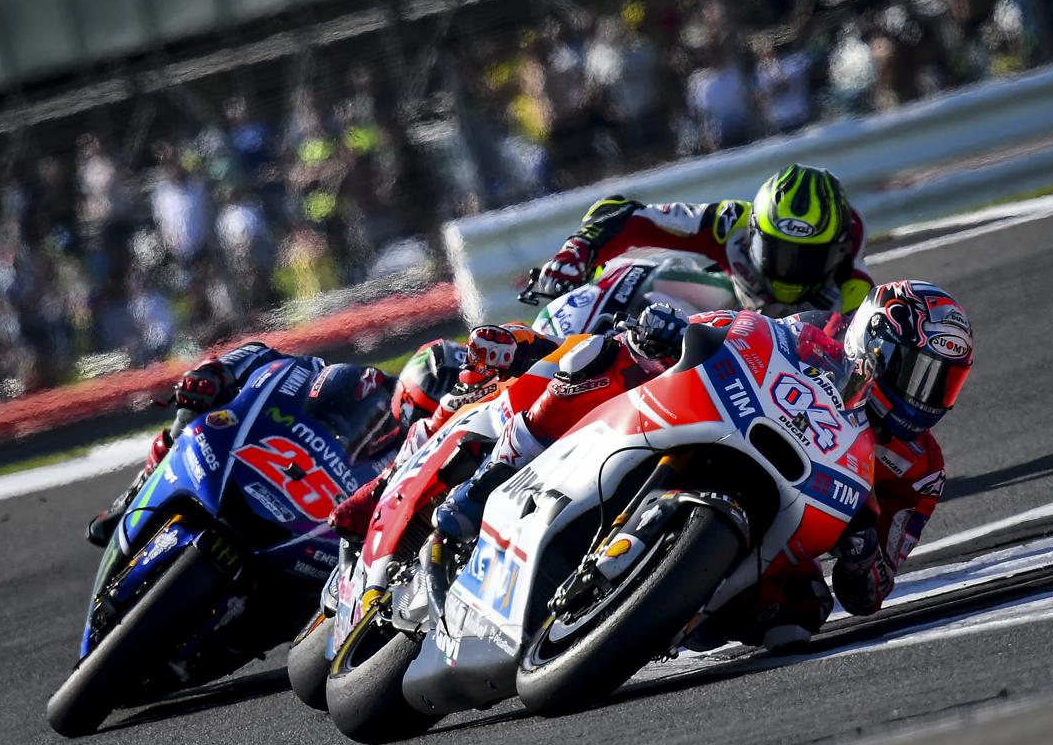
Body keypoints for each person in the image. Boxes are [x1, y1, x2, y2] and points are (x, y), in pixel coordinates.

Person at [699, 280, 974, 650]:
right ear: (874, 346)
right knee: (614, 354)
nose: (925, 397)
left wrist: (863, 557)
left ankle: (669, 608)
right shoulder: (814, 336)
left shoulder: (920, 470)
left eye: (940, 383)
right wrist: (686, 329)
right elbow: (740, 331)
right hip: (724, 433)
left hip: (777, 525)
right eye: (916, 372)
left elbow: (871, 594)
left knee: (803, 605)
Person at [86, 342, 402, 547]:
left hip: (317, 518)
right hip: (267, 451)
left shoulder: (409, 451)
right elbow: (260, 353)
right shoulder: (319, 370)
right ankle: (139, 490)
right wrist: (214, 373)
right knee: (200, 397)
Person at [433, 303, 691, 540]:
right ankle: (465, 502)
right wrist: (508, 347)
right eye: (658, 351)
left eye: (668, 356)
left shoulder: (674, 374)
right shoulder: (604, 347)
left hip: (617, 447)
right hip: (547, 436)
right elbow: (552, 349)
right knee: (468, 507)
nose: (659, 361)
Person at [535, 164, 873, 318]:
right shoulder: (731, 223)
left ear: (838, 251)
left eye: (806, 258)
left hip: (780, 375)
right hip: (723, 321)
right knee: (656, 278)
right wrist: (578, 250)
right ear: (754, 231)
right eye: (778, 253)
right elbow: (629, 217)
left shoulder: (854, 287)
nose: (789, 270)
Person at [329, 327, 560, 542]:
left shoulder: (496, 377)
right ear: (411, 407)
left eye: (455, 381)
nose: (451, 391)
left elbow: (524, 336)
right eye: (441, 387)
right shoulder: (423, 429)